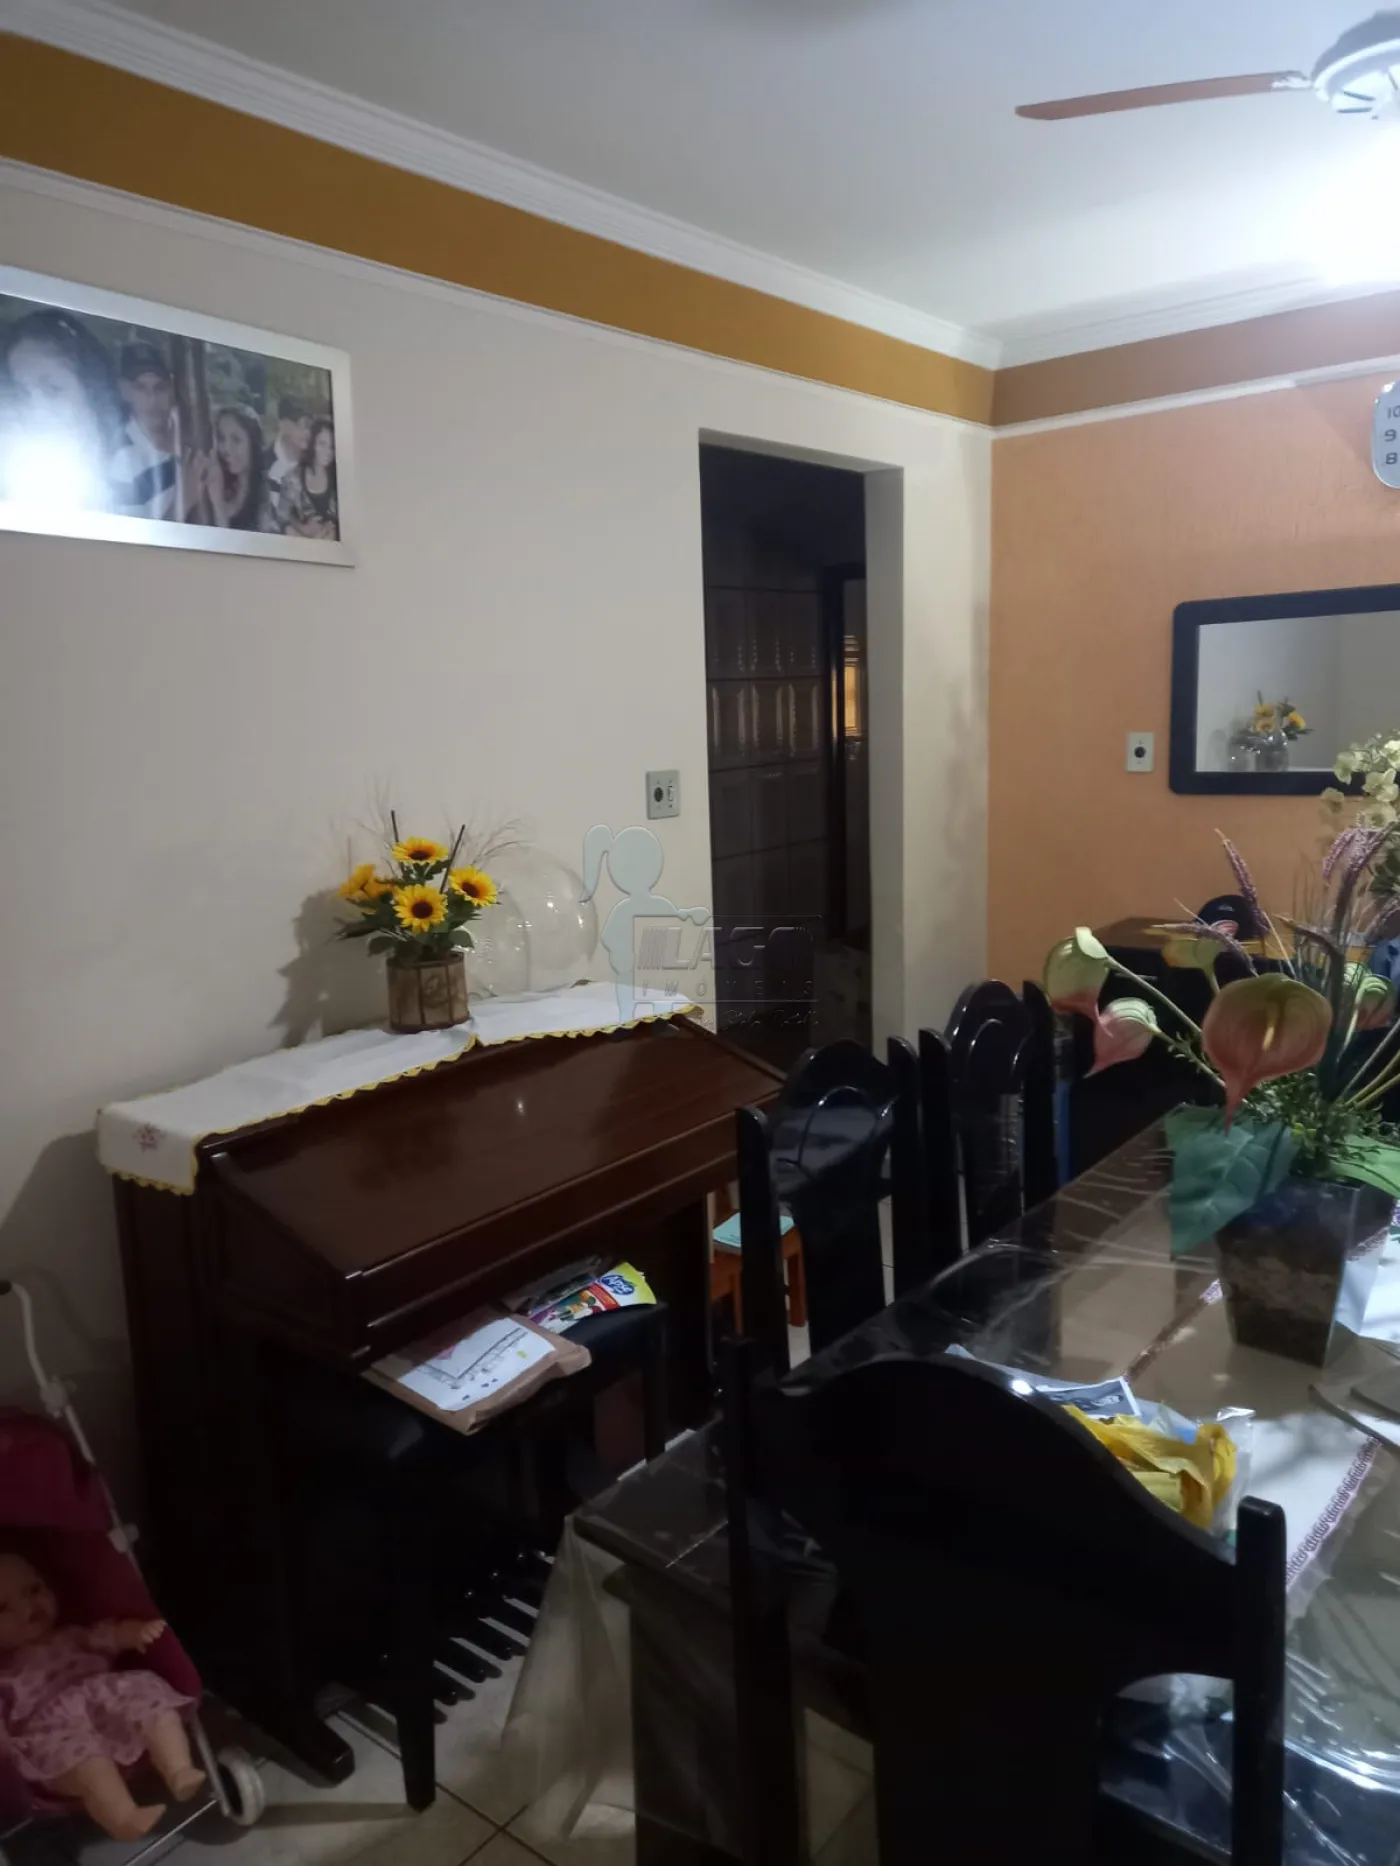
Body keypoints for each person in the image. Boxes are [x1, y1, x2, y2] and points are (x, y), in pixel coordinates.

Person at [0, 308, 123, 508]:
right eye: (22, 394)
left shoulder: (131, 472)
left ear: (92, 393)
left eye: (53, 390)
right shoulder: (11, 475)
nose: (35, 411)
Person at [109, 339, 179, 521]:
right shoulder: (122, 458)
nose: (152, 399)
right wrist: (186, 496)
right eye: (141, 388)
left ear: (171, 389)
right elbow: (134, 536)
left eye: (160, 388)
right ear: (124, 390)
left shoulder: (191, 435)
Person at [186, 405, 276, 532]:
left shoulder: (266, 494)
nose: (227, 449)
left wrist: (218, 505)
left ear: (253, 444)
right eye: (222, 438)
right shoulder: (214, 482)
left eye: (236, 440)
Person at [276, 416, 338, 539]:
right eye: (322, 444)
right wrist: (302, 531)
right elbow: (281, 518)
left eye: (332, 446)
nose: (328, 451)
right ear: (312, 443)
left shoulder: (340, 479)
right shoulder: (292, 478)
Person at [264, 395, 310, 489]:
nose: (306, 432)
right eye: (298, 425)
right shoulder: (264, 464)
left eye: (307, 425)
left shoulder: (313, 460)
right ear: (282, 425)